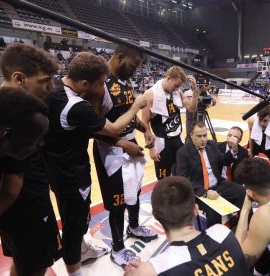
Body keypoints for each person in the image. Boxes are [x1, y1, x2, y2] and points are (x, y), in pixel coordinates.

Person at [43, 52, 147, 275]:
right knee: (73, 226)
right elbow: (112, 128)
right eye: (100, 84)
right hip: (71, 174)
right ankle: (75, 271)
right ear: (84, 83)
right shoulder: (76, 106)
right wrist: (136, 105)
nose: (102, 88)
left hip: (58, 169)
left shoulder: (56, 91)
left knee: (77, 220)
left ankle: (81, 249)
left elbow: (88, 127)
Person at [0, 44, 63, 276]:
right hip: (27, 214)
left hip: (14, 217)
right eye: (45, 80)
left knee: (21, 261)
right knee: (35, 268)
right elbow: (10, 188)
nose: (51, 86)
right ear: (19, 78)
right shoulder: (15, 120)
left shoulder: (6, 107)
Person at [92, 45, 158, 268]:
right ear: (120, 57)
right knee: (117, 201)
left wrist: (146, 130)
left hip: (130, 143)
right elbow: (94, 127)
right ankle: (118, 247)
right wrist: (122, 144)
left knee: (134, 191)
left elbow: (129, 115)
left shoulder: (124, 80)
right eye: (133, 65)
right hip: (109, 149)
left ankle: (134, 226)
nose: (134, 71)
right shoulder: (100, 84)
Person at [123, 176, 251, 276]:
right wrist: (245, 210)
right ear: (196, 210)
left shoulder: (152, 270)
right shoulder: (222, 232)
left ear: (155, 216)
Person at [176, 122, 247, 227]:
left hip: (218, 185)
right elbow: (184, 180)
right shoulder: (183, 153)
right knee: (214, 212)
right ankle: (215, 239)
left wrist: (234, 150)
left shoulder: (211, 145)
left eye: (205, 135)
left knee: (242, 192)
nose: (203, 139)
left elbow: (223, 161)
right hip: (199, 192)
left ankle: (246, 225)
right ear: (191, 135)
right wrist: (205, 192)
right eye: (199, 136)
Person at [142, 66, 199, 179]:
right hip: (162, 143)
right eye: (176, 85)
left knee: (182, 175)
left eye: (179, 86)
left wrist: (195, 91)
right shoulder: (150, 94)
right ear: (168, 78)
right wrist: (151, 147)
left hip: (177, 140)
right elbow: (144, 123)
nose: (177, 88)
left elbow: (192, 108)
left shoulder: (177, 92)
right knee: (164, 179)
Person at [247, 105, 270, 179]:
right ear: (257, 117)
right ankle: (249, 180)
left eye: (265, 120)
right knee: (248, 158)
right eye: (260, 120)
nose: (262, 123)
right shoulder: (251, 120)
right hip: (256, 138)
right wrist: (251, 150)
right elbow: (251, 136)